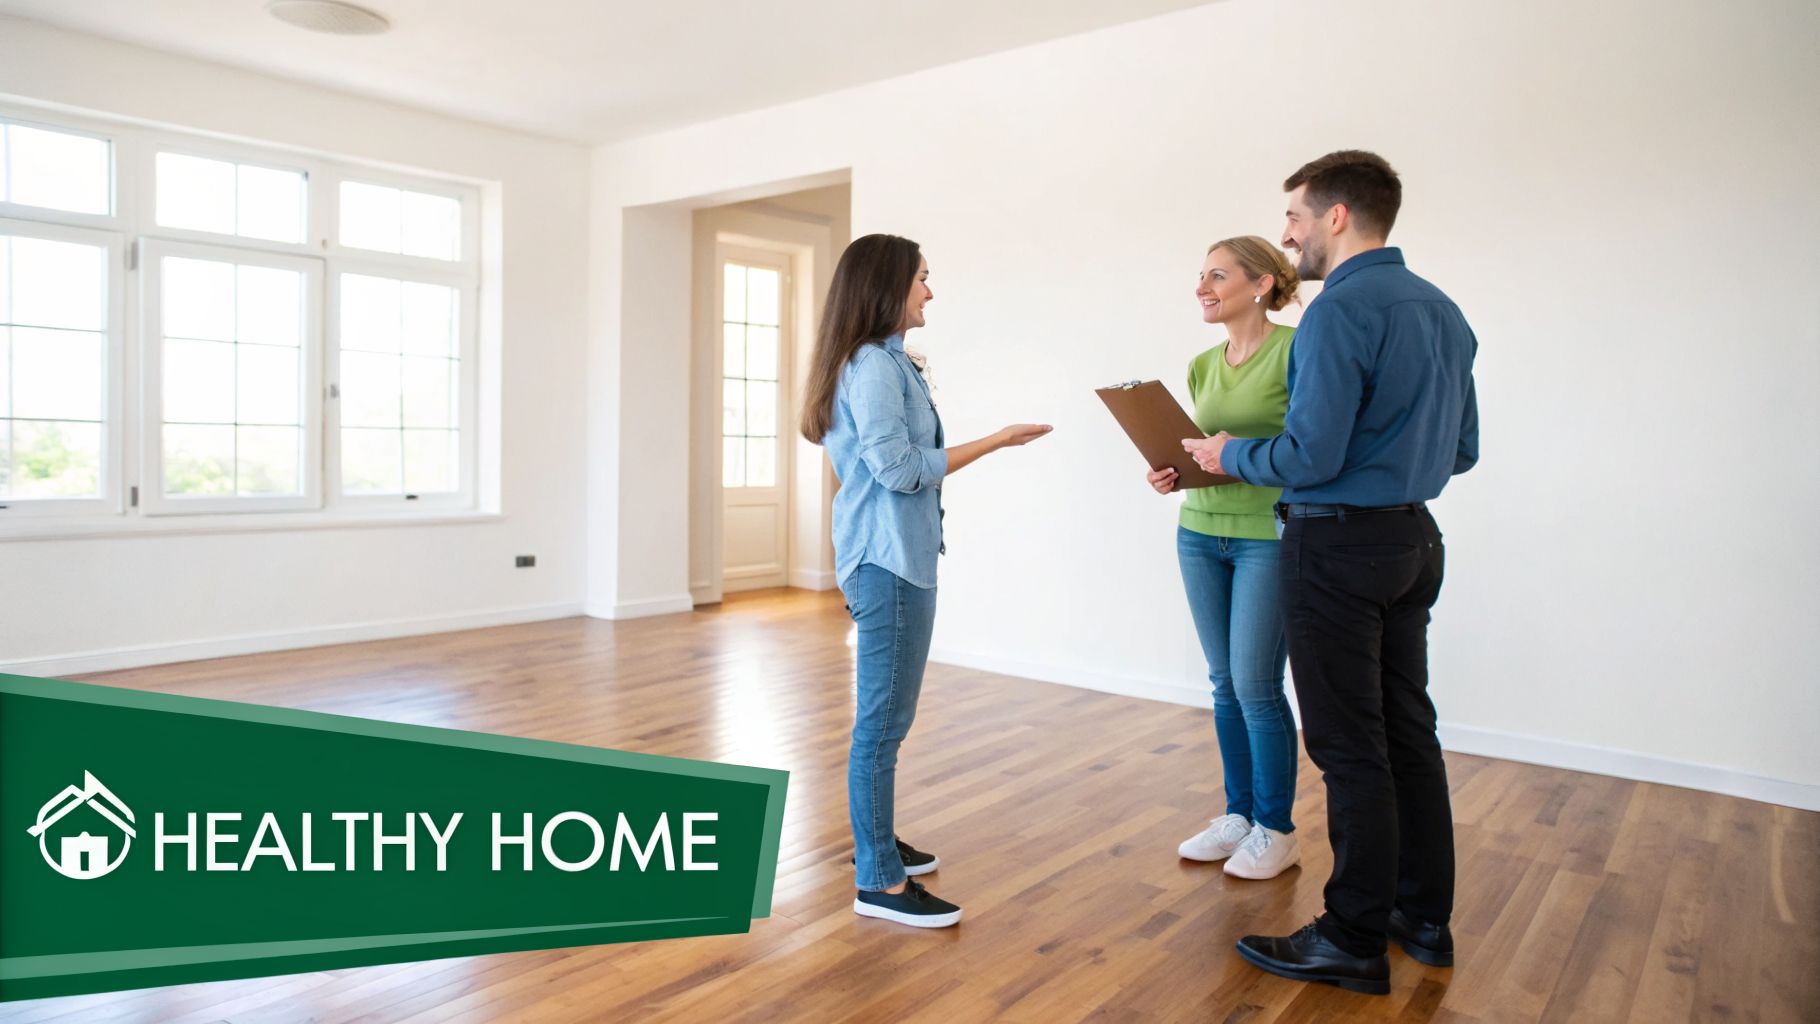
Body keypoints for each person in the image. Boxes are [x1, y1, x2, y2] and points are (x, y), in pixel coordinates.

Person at [1183, 151, 1480, 995]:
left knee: (1350, 750)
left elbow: (1309, 455)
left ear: (1338, 217)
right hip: (1413, 542)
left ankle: (1351, 934)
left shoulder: (1338, 311)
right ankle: (1421, 917)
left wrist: (1229, 450)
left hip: (1336, 549)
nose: (1290, 237)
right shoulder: (1444, 311)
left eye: (1296, 220)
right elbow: (1463, 449)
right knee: (1407, 735)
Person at [801, 233, 1051, 928]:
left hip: (892, 553)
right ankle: (878, 879)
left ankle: (879, 842)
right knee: (881, 725)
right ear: (888, 287)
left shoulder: (880, 361)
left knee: (891, 720)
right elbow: (901, 471)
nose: (930, 292)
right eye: (922, 279)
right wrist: (997, 440)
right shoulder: (875, 368)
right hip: (887, 561)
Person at [1156, 236, 1303, 880]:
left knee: (1257, 686)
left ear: (1263, 283)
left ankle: (1276, 828)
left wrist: (1230, 452)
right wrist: (1173, 473)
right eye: (1201, 276)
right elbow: (1205, 453)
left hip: (1267, 537)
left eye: (1218, 275)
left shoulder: (1297, 351)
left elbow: (1308, 449)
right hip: (1198, 532)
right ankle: (1238, 816)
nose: (1203, 287)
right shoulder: (1199, 364)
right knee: (1224, 685)